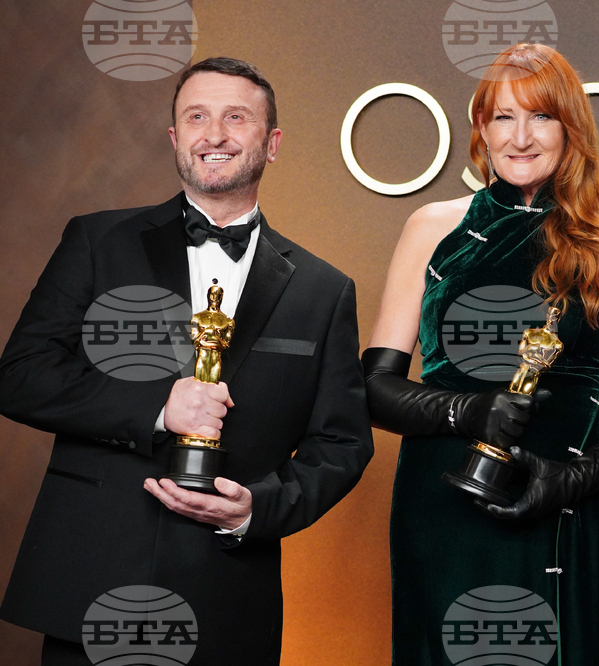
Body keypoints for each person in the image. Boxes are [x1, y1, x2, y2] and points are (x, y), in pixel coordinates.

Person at [0, 57, 373, 665]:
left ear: (271, 143)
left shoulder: (325, 290)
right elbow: (19, 376)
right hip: (92, 580)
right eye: (196, 117)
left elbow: (343, 443)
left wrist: (258, 509)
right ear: (176, 139)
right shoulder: (97, 241)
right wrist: (156, 406)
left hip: (228, 597)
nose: (215, 134)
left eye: (236, 117)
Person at [363, 44, 599, 664]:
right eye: (503, 117)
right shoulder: (432, 227)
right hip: (443, 499)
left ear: (571, 127)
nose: (520, 137)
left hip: (567, 496)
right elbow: (374, 388)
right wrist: (469, 413)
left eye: (541, 117)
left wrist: (573, 480)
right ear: (480, 128)